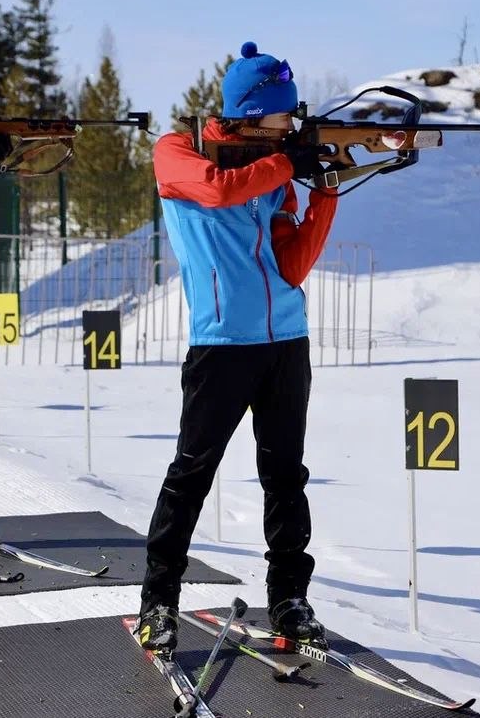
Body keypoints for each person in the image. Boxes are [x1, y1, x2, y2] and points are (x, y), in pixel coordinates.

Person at [136, 41, 338, 654]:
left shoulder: (275, 172)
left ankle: (289, 600)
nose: (291, 124)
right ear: (251, 114)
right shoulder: (178, 150)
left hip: (286, 341)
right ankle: (158, 603)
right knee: (191, 475)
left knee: (285, 477)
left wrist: (324, 188)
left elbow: (293, 264)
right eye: (284, 116)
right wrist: (288, 163)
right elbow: (218, 189)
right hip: (221, 345)